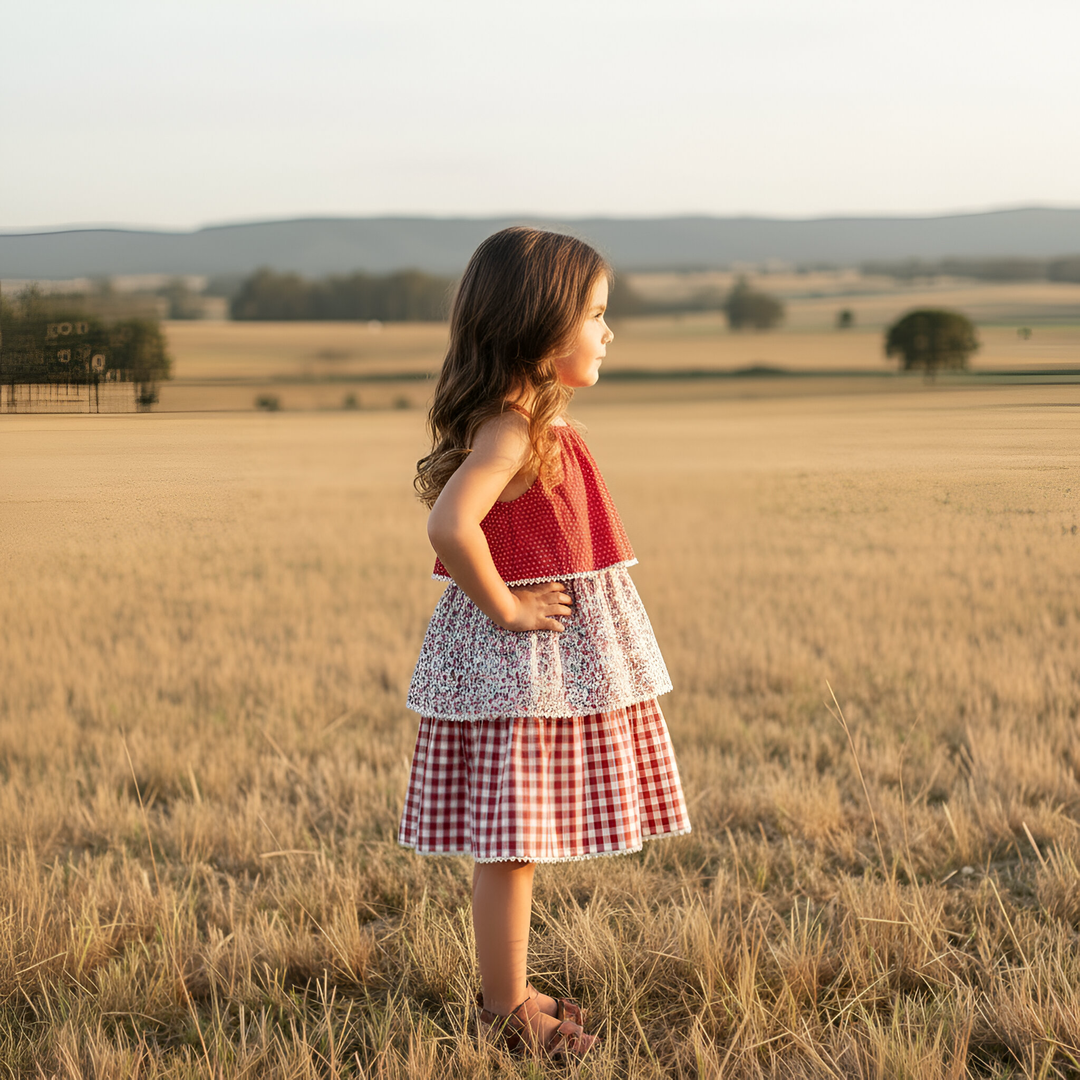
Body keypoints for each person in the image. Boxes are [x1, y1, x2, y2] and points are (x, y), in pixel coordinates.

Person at [399, 226, 691, 1059]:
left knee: (519, 844)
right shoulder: (511, 431)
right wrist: (508, 610)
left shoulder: (530, 424)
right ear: (539, 326)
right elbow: (450, 524)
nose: (608, 332)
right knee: (515, 846)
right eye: (596, 314)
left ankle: (511, 990)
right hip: (516, 672)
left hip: (532, 673)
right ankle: (505, 1010)